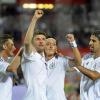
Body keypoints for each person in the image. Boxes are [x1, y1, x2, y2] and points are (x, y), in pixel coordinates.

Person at [21, 10, 48, 100]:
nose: (41, 41)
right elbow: (27, 42)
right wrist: (34, 18)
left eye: (43, 39)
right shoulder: (30, 55)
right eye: (37, 39)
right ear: (33, 42)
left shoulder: (44, 58)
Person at [44, 35, 80, 100]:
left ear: (56, 49)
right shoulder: (37, 62)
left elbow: (78, 62)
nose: (51, 46)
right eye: (48, 44)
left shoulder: (61, 60)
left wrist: (73, 43)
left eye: (54, 44)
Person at [67, 31, 100, 100]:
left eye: (93, 41)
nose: (90, 43)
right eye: (90, 40)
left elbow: (94, 76)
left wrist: (78, 66)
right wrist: (72, 42)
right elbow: (76, 65)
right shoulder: (88, 57)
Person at [0, 34, 22, 100]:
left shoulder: (7, 61)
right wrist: (21, 53)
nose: (14, 48)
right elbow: (13, 67)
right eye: (12, 45)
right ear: (4, 46)